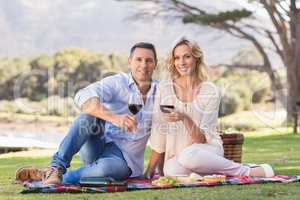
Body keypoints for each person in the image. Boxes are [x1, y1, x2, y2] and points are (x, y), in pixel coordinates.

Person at [16, 42, 158, 185]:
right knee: (88, 115)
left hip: (125, 160)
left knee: (106, 169)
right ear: (130, 61)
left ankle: (46, 176)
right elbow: (83, 95)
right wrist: (115, 118)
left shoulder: (160, 92)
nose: (144, 65)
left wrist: (160, 169)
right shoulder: (117, 82)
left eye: (149, 60)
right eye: (138, 59)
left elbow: (164, 135)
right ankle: (56, 167)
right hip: (97, 146)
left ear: (155, 64)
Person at [144, 38, 274, 179]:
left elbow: (201, 139)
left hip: (207, 149)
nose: (181, 62)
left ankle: (247, 171)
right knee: (170, 170)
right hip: (179, 156)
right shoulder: (164, 88)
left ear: (196, 59)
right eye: (177, 58)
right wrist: (150, 169)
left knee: (189, 155)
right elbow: (159, 133)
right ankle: (213, 172)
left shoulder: (210, 91)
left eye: (187, 56)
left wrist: (185, 117)